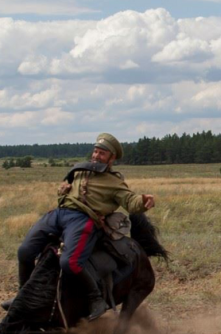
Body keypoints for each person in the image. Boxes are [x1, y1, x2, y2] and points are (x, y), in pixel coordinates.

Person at [1, 133, 155, 320]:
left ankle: (95, 298)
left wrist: (143, 200)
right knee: (24, 251)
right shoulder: (81, 170)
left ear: (111, 158)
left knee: (70, 263)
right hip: (59, 214)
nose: (96, 156)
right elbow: (72, 194)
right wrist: (62, 191)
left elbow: (130, 200)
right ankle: (22, 296)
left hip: (83, 219)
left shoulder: (113, 181)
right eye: (96, 151)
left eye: (102, 153)